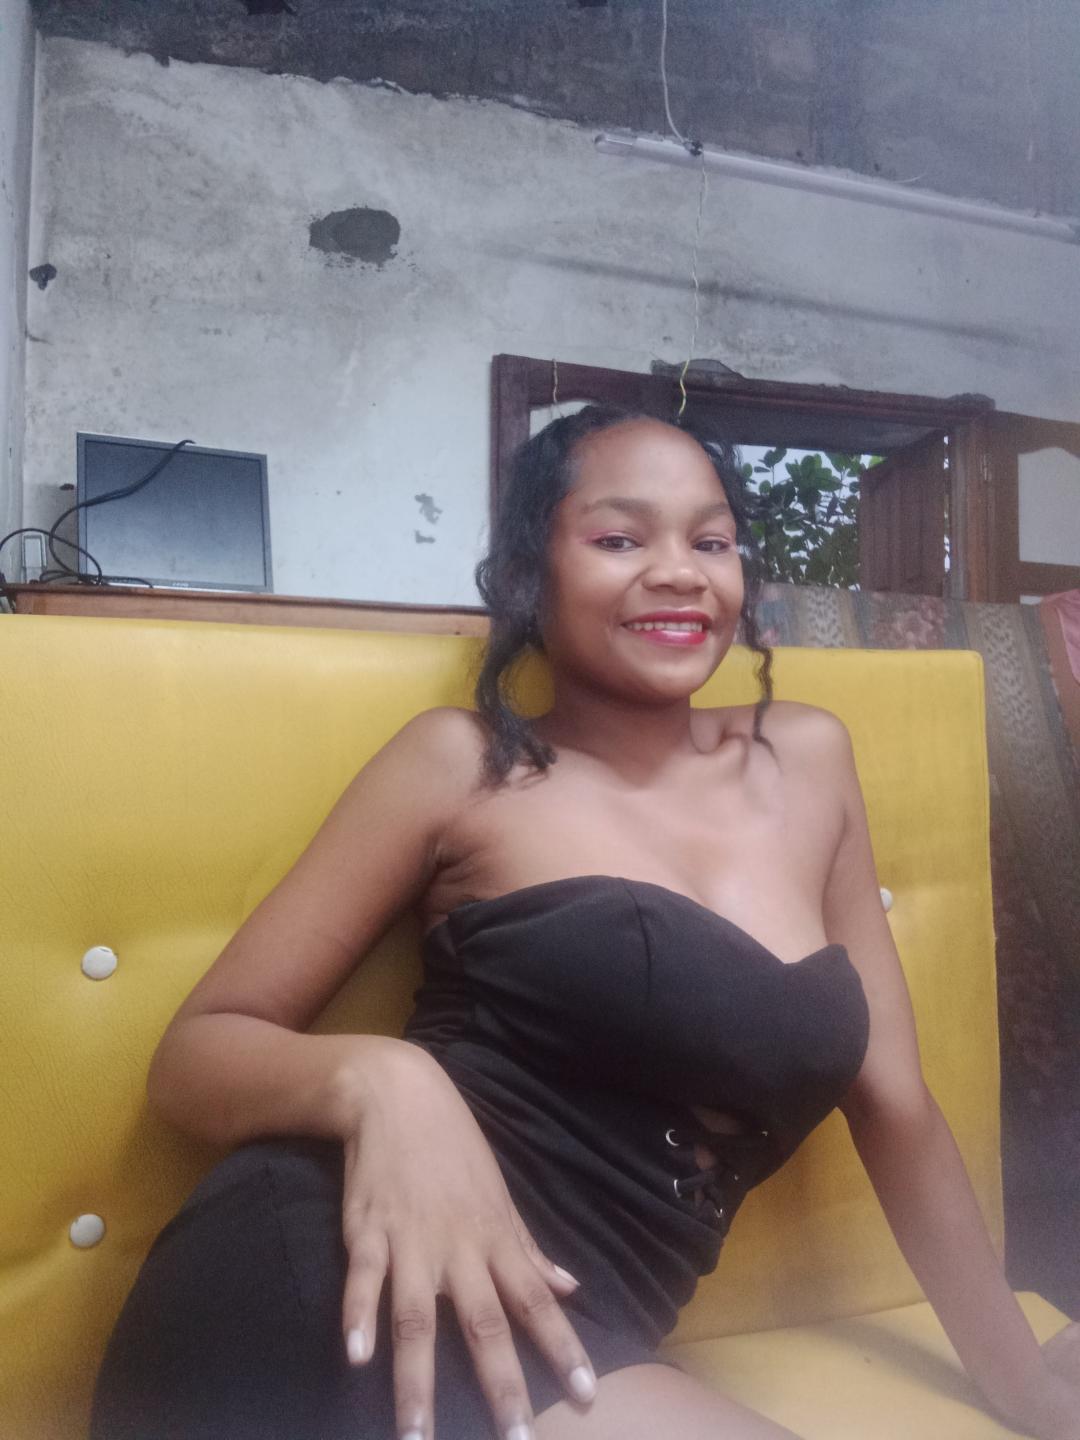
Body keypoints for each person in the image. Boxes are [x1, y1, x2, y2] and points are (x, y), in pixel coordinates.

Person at [91, 405, 1080, 1440]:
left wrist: (1022, 1382)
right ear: (532, 574)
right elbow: (196, 1055)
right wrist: (383, 1082)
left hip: (583, 1331)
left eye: (711, 542)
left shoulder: (810, 759)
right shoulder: (460, 764)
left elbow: (897, 1107)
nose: (680, 572)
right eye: (619, 539)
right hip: (338, 1270)